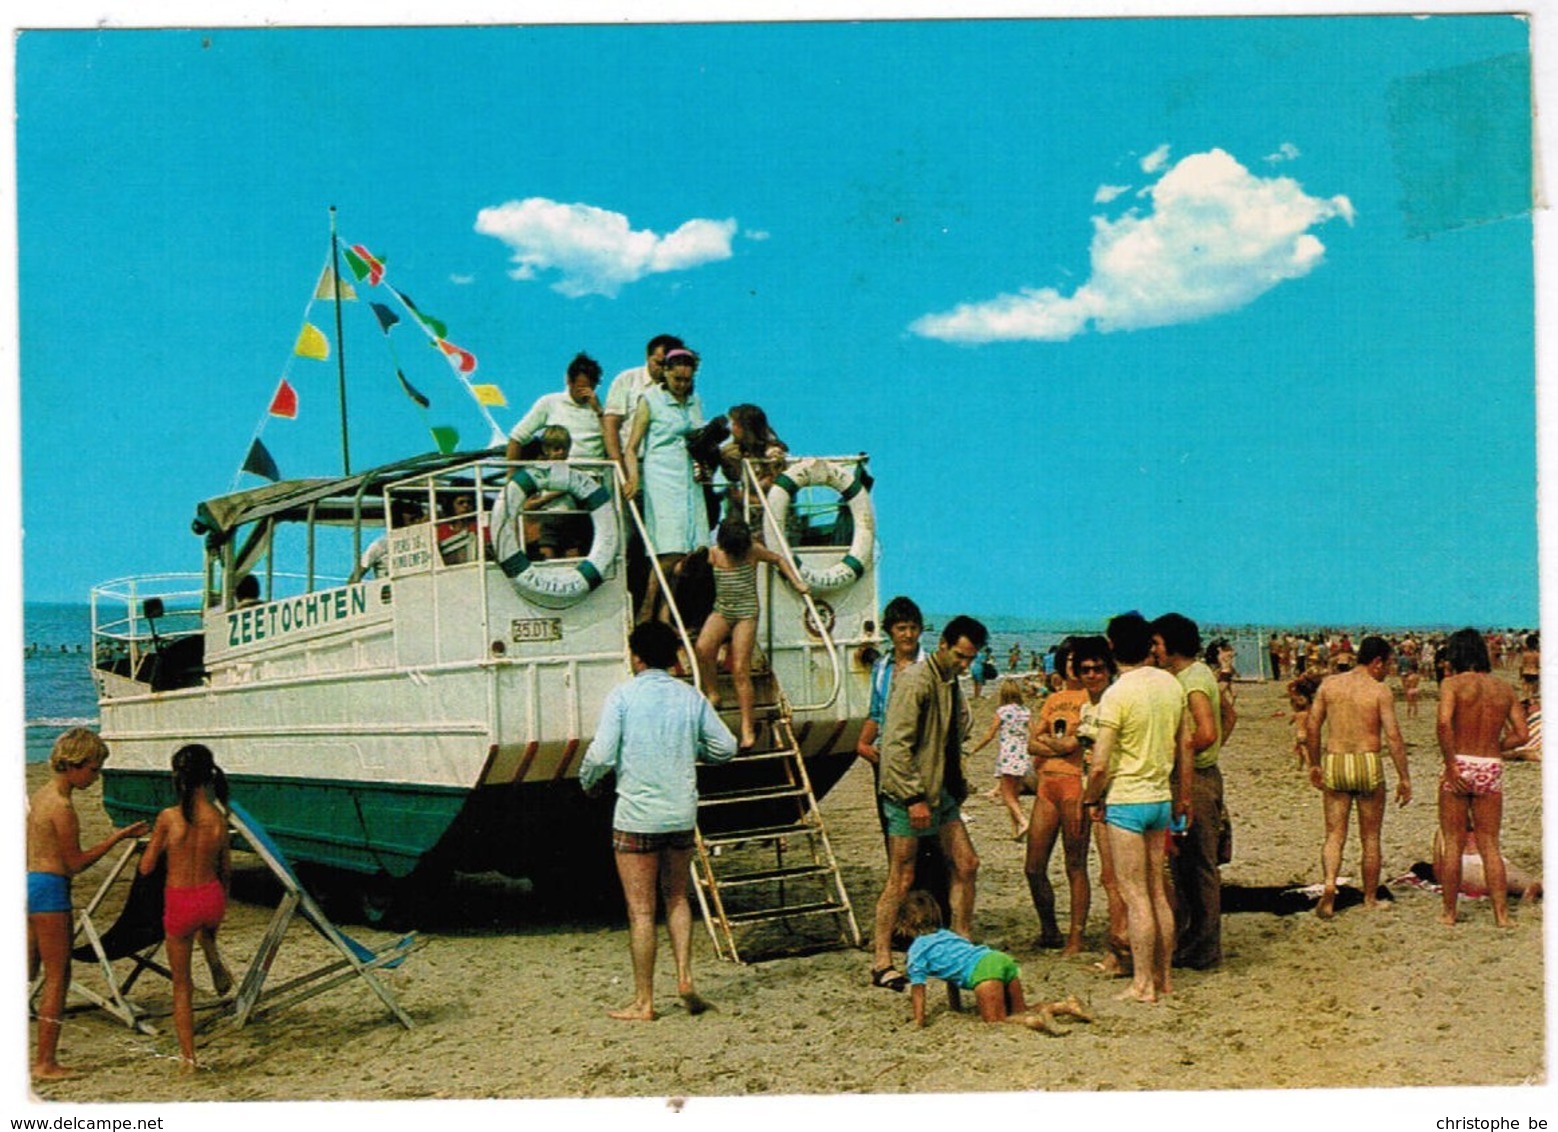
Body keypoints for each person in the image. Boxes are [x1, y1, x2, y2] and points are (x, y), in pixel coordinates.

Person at [579, 620, 738, 1021]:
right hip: (680, 813)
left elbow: (600, 756)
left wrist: (588, 782)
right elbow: (727, 746)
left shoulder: (623, 696)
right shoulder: (690, 697)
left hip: (636, 817)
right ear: (672, 657)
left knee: (641, 911)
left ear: (636, 656)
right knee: (677, 898)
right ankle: (685, 977)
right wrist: (696, 751)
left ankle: (644, 1001)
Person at [869, 614, 988, 992]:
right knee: (901, 877)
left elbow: (951, 739)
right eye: (960, 656)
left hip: (942, 795)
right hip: (910, 795)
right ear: (942, 646)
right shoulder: (916, 680)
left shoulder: (949, 682)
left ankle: (960, 940)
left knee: (967, 863)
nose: (965, 664)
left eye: (971, 659)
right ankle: (882, 961)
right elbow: (895, 746)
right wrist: (913, 797)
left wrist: (956, 784)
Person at [1080, 613, 1191, 1004]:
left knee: (1135, 895)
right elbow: (1183, 746)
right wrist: (1182, 795)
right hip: (1160, 796)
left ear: (1112, 648)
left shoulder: (1117, 693)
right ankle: (1164, 977)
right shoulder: (1170, 685)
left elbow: (1099, 763)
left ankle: (1142, 983)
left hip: (1127, 798)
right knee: (1158, 893)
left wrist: (1092, 798)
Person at [27, 728, 148, 1079]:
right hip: (50, 890)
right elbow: (74, 864)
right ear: (75, 765)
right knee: (57, 977)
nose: (96, 777)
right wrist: (117, 838)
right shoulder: (63, 808)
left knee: (27, 970)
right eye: (94, 770)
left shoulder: (41, 795)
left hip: (28, 884)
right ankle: (45, 1062)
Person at [138, 743, 234, 1071]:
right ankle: (212, 951)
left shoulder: (168, 817)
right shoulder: (220, 819)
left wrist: (160, 844)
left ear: (176, 777)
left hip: (181, 900)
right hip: (211, 899)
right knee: (204, 923)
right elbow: (225, 870)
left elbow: (146, 868)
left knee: (182, 985)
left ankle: (188, 1058)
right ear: (209, 776)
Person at [856, 596, 952, 917]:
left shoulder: (930, 667)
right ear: (889, 632)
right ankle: (907, 918)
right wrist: (864, 745)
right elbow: (876, 713)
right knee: (897, 845)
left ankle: (935, 916)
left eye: (913, 628)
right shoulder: (882, 668)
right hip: (889, 763)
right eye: (901, 629)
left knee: (931, 846)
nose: (908, 635)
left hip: (923, 763)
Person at [1304, 635, 1412, 919]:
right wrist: (1404, 777)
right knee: (1371, 837)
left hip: (1336, 759)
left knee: (1334, 835)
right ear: (1376, 662)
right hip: (1367, 761)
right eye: (1388, 664)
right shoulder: (1379, 691)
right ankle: (1370, 898)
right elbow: (1393, 737)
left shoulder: (1330, 684)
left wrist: (1314, 764)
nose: (1389, 669)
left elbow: (1312, 727)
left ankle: (1329, 886)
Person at [1152, 613, 1230, 971]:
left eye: (1157, 643)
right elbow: (1230, 717)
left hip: (1195, 778)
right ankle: (1196, 942)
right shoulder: (1196, 675)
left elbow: (1208, 730)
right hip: (1202, 773)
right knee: (1188, 866)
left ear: (1172, 644)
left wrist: (1178, 754)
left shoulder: (1192, 680)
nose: (1153, 650)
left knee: (1196, 866)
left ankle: (1203, 947)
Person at [1435, 627, 1528, 927]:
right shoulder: (1503, 688)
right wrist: (1497, 747)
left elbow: (1444, 724)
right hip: (1489, 764)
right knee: (1490, 844)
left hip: (1460, 761)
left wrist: (1451, 764)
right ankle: (1501, 915)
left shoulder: (1452, 685)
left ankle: (1449, 914)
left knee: (1453, 842)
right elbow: (1522, 734)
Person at [895, 890, 1088, 1033]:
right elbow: (951, 977)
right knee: (1020, 1009)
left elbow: (918, 990)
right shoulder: (948, 936)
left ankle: (1036, 1022)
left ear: (904, 924)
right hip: (999, 959)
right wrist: (956, 1007)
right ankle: (1064, 1006)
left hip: (982, 971)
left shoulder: (918, 951)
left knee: (997, 1021)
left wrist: (918, 1021)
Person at [693, 515, 810, 750]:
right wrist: (687, 561)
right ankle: (713, 692)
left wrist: (797, 583)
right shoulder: (714, 554)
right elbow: (681, 570)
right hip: (723, 610)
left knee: (740, 670)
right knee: (702, 648)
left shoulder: (753, 551)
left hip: (747, 614)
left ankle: (747, 729)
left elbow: (778, 559)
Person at [622, 348, 709, 623]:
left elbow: (699, 440)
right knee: (667, 549)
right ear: (667, 373)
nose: (682, 385)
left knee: (690, 551)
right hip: (661, 476)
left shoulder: (695, 401)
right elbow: (632, 447)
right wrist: (633, 477)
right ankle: (647, 610)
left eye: (686, 380)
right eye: (677, 380)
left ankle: (665, 614)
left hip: (688, 480)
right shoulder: (649, 400)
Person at [1024, 638, 1092, 954]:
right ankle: (1049, 929)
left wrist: (1051, 743)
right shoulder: (1053, 699)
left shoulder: (1092, 699)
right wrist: (1056, 745)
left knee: (1075, 864)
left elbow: (1068, 746)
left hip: (1074, 784)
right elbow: (1031, 743)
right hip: (1047, 784)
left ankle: (1076, 938)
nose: (1072, 665)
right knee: (1034, 866)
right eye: (1068, 659)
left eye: (1078, 660)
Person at [504, 351, 606, 462]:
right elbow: (516, 438)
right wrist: (512, 475)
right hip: (560, 473)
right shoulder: (550, 402)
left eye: (591, 387)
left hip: (594, 473)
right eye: (581, 387)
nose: (586, 392)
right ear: (569, 381)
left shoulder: (602, 411)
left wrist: (599, 412)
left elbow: (613, 444)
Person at [602, 333, 683, 469]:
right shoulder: (627, 380)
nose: (662, 369)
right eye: (658, 363)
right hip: (631, 462)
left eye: (667, 364)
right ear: (647, 357)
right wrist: (619, 465)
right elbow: (610, 425)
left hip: (667, 465)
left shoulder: (679, 388)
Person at [968, 680, 1031, 840]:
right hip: (1023, 754)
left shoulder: (1002, 711)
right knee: (1014, 794)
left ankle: (1023, 821)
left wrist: (975, 748)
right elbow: (1034, 733)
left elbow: (990, 735)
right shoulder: (1025, 711)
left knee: (1006, 794)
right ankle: (1015, 831)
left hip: (1008, 755)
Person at [717, 403, 788, 518]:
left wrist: (741, 496)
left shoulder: (773, 454)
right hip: (742, 515)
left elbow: (775, 494)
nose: (732, 428)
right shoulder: (734, 451)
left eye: (736, 424)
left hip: (769, 517)